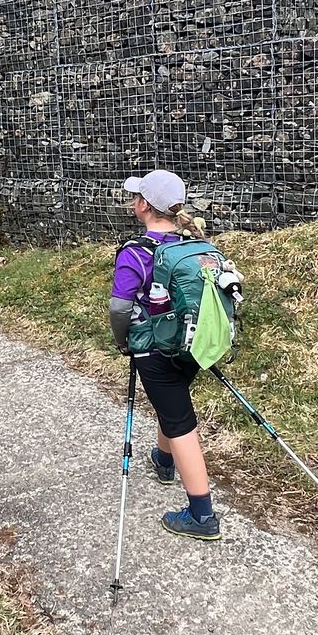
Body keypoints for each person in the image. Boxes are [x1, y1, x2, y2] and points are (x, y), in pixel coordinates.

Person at [107, 169, 221, 542]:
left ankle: (202, 515)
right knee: (171, 402)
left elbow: (120, 308)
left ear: (143, 205)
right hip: (193, 346)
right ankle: (164, 460)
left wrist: (122, 342)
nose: (133, 201)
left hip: (153, 350)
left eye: (136, 197)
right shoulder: (194, 246)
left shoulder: (135, 253)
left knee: (179, 421)